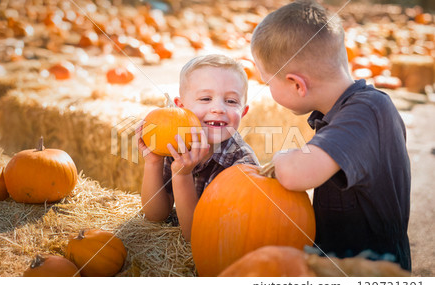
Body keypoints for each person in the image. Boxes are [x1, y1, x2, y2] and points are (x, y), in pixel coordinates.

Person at [250, 0, 411, 270]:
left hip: (369, 273)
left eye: (268, 83)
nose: (268, 90)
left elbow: (295, 174)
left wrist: (280, 158)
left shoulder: (367, 112)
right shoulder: (341, 113)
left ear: (296, 84)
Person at [137, 54, 259, 241]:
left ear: (243, 111)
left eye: (231, 101)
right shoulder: (176, 146)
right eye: (205, 99)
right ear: (181, 107)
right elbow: (155, 216)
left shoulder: (242, 165)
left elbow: (198, 237)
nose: (218, 108)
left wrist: (182, 175)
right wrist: (153, 162)